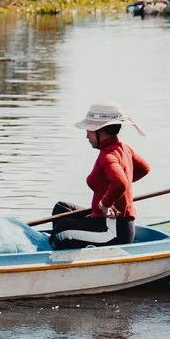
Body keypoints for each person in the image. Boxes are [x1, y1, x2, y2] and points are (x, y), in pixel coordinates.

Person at [50, 103, 149, 247]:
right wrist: (112, 192)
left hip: (113, 231)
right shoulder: (124, 148)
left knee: (61, 231)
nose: (86, 136)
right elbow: (144, 169)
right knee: (62, 208)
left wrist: (105, 203)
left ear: (100, 131)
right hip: (103, 220)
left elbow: (121, 183)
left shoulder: (108, 156)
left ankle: (53, 258)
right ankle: (68, 246)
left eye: (89, 130)